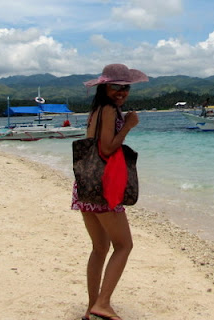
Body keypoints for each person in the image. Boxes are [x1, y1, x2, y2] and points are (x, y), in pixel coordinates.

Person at [71, 63, 149, 320]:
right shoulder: (108, 110)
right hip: (104, 188)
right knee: (124, 245)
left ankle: (91, 308)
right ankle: (102, 303)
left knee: (99, 249)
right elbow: (106, 149)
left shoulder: (96, 111)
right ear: (105, 87)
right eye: (116, 86)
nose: (122, 92)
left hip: (86, 186)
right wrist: (128, 126)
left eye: (126, 87)